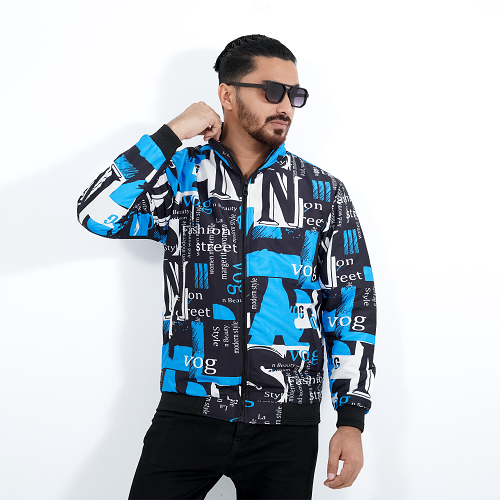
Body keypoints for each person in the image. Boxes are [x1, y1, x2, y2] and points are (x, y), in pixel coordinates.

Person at [77, 34, 377, 500]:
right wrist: (172, 133)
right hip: (190, 409)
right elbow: (96, 213)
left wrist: (351, 419)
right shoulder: (180, 176)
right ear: (227, 94)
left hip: (286, 423)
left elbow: (351, 303)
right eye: (272, 91)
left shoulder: (322, 191)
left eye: (294, 95)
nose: (285, 106)